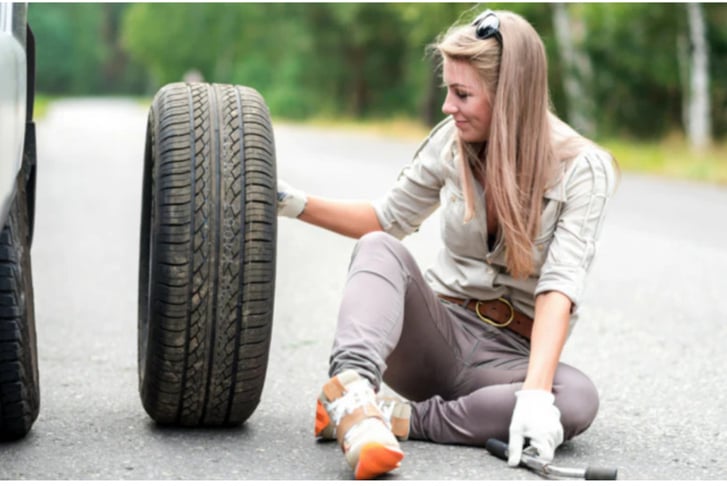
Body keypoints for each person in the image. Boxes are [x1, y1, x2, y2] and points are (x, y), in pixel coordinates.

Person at [277, 8, 618, 480]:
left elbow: (558, 287)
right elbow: (385, 218)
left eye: (462, 94)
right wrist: (288, 202)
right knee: (379, 246)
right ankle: (352, 391)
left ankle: (398, 421)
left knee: (577, 399)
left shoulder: (585, 169)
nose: (446, 106)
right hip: (435, 339)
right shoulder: (449, 142)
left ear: (510, 97)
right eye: (447, 91)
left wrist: (536, 397)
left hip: (507, 361)